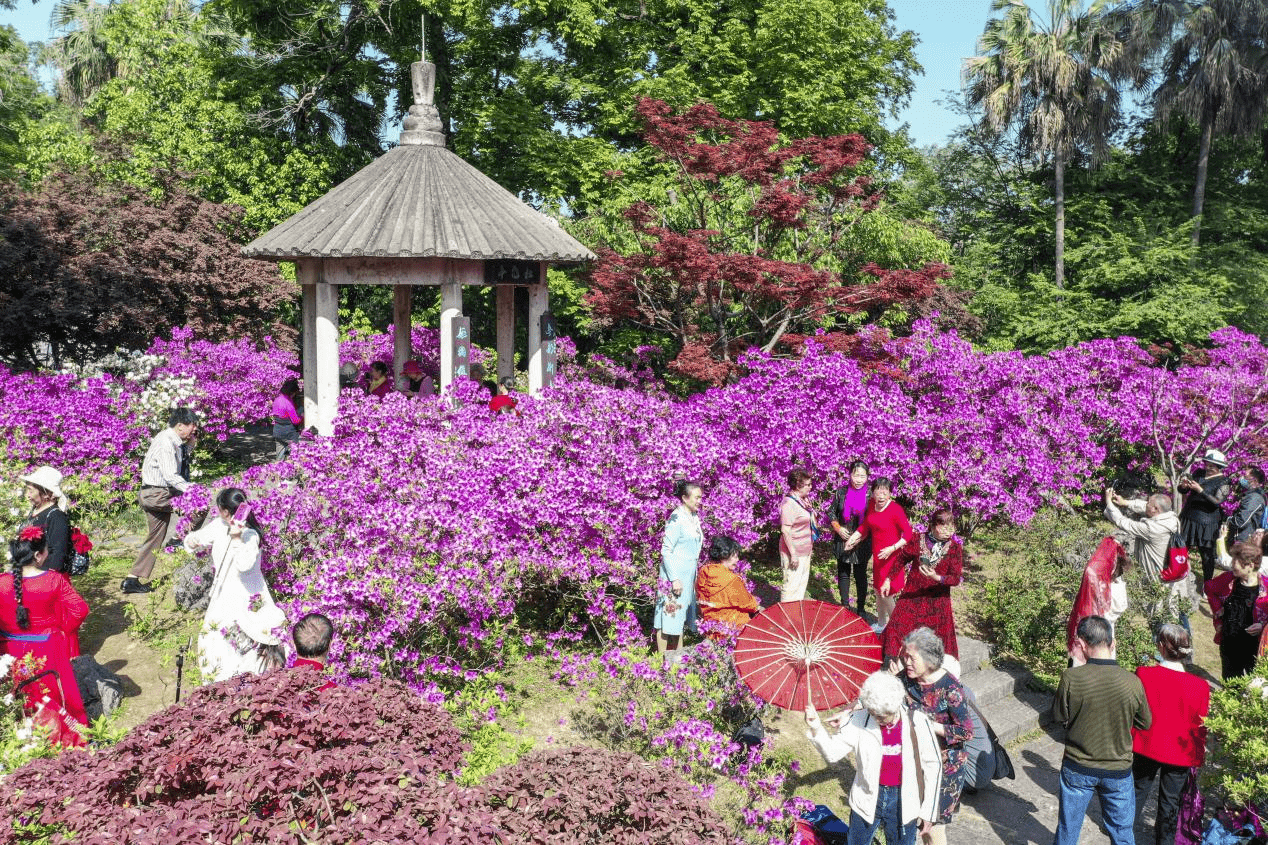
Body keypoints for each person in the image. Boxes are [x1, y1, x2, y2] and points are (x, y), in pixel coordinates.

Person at [804, 670, 942, 845]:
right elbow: (832, 753)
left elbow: (933, 764)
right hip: (867, 797)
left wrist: (929, 811)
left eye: (883, 716)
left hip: (904, 800)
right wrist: (816, 726)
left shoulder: (918, 722)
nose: (879, 720)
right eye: (874, 714)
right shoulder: (858, 720)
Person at [1050, 615, 1152, 845]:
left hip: (1078, 765)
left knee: (1068, 830)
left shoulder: (1071, 677)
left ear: (1082, 644)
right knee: (1122, 833)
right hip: (1118, 769)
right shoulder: (1133, 682)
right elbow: (1145, 723)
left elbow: (1058, 716)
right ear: (1112, 643)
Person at [183, 488, 284, 682]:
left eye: (221, 509)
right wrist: (192, 540)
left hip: (247, 593)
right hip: (224, 591)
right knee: (218, 639)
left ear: (227, 511)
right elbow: (198, 538)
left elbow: (244, 565)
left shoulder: (250, 534)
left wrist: (237, 538)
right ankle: (221, 679)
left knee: (249, 639)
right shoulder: (219, 525)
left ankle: (251, 679)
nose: (219, 513)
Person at [0, 528, 90, 745]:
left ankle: (17, 737)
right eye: (47, 550)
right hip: (47, 648)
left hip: (8, 650)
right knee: (54, 693)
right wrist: (64, 630)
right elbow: (80, 609)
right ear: (38, 555)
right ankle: (58, 737)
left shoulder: (2, 582)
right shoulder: (53, 580)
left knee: (16, 692)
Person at [889, 627, 972, 845]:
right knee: (913, 816)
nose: (906, 662)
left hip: (945, 767)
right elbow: (885, 694)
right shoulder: (906, 678)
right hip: (916, 759)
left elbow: (966, 732)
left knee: (932, 827)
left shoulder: (950, 688)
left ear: (929, 660)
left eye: (912, 658)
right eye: (905, 656)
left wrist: (929, 725)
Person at [1132, 624, 1209, 845]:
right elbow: (1200, 726)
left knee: (1138, 789)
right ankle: (1164, 841)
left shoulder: (1144, 674)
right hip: (1181, 752)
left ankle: (1123, 831)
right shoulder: (1200, 686)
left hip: (1147, 744)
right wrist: (1198, 756)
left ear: (1161, 647)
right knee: (1170, 800)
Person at [124, 407, 198, 595]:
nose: (194, 430)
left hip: (151, 493)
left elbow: (180, 460)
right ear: (180, 426)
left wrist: (191, 442)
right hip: (158, 494)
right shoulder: (166, 442)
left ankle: (131, 580)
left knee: (155, 536)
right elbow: (171, 475)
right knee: (200, 504)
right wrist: (192, 490)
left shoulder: (173, 439)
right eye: (192, 427)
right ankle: (177, 540)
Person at [1103, 490, 1193, 627]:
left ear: (1156, 509)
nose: (1145, 506)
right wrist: (1125, 502)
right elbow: (1144, 506)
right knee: (1178, 615)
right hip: (1175, 576)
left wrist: (1109, 503)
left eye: (1149, 505)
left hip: (1160, 581)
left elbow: (1122, 522)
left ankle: (1161, 643)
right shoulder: (1170, 517)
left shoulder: (1152, 528)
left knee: (1160, 619)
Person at [882, 509, 963, 662]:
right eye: (943, 526)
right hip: (913, 595)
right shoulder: (918, 539)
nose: (948, 530)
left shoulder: (955, 549)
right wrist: (888, 580)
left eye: (951, 526)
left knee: (934, 643)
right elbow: (901, 559)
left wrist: (936, 577)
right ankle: (895, 664)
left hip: (937, 603)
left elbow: (955, 579)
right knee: (896, 628)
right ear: (933, 525)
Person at [845, 478, 913, 630]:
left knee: (887, 593)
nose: (881, 495)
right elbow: (866, 526)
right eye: (878, 491)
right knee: (877, 590)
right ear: (873, 492)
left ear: (890, 494)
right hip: (878, 558)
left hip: (892, 558)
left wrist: (892, 548)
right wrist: (854, 537)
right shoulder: (871, 505)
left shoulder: (895, 509)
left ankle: (898, 629)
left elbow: (908, 534)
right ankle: (882, 624)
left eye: (885, 492)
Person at [1205, 539, 1268, 680]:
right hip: (1229, 640)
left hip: (1254, 645)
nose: (1232, 564)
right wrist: (1217, 609)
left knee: (1253, 681)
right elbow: (1209, 588)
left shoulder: (1266, 588)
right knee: (1229, 678)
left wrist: (1263, 626)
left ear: (1250, 565)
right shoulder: (1228, 579)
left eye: (1236, 562)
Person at [654, 479, 703, 653]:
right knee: (667, 617)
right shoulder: (676, 519)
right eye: (696, 498)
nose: (699, 501)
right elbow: (666, 551)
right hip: (673, 575)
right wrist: (674, 579)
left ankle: (678, 657)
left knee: (679, 616)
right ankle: (662, 660)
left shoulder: (693, 516)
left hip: (688, 574)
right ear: (684, 497)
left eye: (700, 497)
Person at [1067, 538, 1130, 665]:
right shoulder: (1116, 586)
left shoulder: (1093, 582)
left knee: (1081, 665)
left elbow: (1090, 570)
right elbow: (1120, 608)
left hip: (1087, 629)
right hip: (1105, 631)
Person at [1178, 449, 1231, 586]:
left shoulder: (1223, 481)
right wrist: (1184, 487)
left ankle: (1208, 584)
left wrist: (1200, 490)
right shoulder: (1199, 473)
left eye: (1212, 466)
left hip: (1207, 522)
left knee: (1206, 555)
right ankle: (1177, 573)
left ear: (1219, 467)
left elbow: (1217, 502)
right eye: (1207, 464)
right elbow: (1183, 491)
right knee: (1181, 547)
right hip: (1189, 517)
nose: (1208, 468)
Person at [829, 461, 873, 613]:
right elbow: (832, 513)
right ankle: (845, 606)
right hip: (842, 538)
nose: (859, 479)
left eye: (862, 476)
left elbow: (873, 519)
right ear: (850, 475)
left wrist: (859, 535)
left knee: (860, 575)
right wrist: (838, 528)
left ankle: (861, 609)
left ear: (867, 477)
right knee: (843, 573)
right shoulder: (841, 492)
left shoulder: (871, 495)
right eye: (856, 475)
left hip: (863, 540)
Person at [695, 535, 759, 638]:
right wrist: (757, 604)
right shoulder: (731, 579)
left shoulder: (703, 571)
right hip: (732, 629)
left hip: (710, 628)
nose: (737, 560)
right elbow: (749, 604)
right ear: (725, 555)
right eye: (735, 556)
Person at [19, 466, 71, 573]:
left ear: (46, 493)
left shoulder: (56, 516)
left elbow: (58, 553)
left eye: (31, 491)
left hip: (45, 577)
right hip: (30, 573)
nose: (28, 495)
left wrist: (44, 577)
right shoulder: (35, 510)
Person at [779, 469, 816, 603]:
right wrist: (793, 554)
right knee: (791, 586)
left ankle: (795, 613)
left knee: (801, 584)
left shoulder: (803, 500)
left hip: (805, 549)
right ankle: (786, 617)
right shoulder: (789, 503)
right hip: (793, 552)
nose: (810, 487)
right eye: (808, 485)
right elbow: (785, 531)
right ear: (797, 485)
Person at [1229, 466, 1267, 543]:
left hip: (1244, 541)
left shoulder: (1254, 497)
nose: (1242, 477)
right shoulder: (1252, 494)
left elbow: (1241, 521)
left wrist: (1228, 520)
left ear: (1254, 480)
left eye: (1245, 476)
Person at [271, 378, 304, 462]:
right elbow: (295, 420)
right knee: (294, 456)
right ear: (292, 392)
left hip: (277, 431)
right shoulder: (288, 403)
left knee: (279, 458)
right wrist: (302, 416)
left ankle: (277, 472)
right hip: (289, 433)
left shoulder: (277, 399)